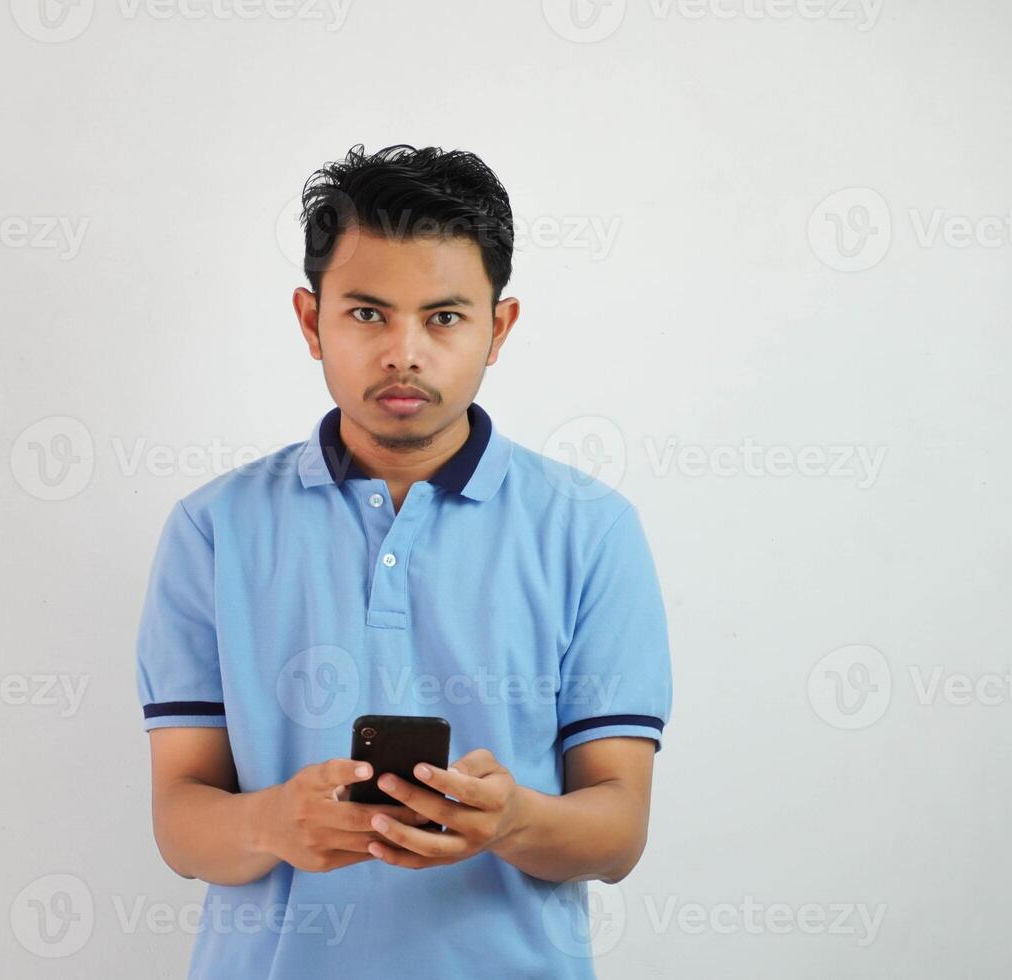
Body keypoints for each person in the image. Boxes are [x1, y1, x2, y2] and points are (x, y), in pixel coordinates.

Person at [135, 143, 673, 978]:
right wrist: (274, 822)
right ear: (312, 322)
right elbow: (180, 817)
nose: (405, 352)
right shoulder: (214, 529)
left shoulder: (590, 531)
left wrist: (511, 821)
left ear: (500, 328)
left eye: (445, 317)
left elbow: (619, 829)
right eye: (368, 313)